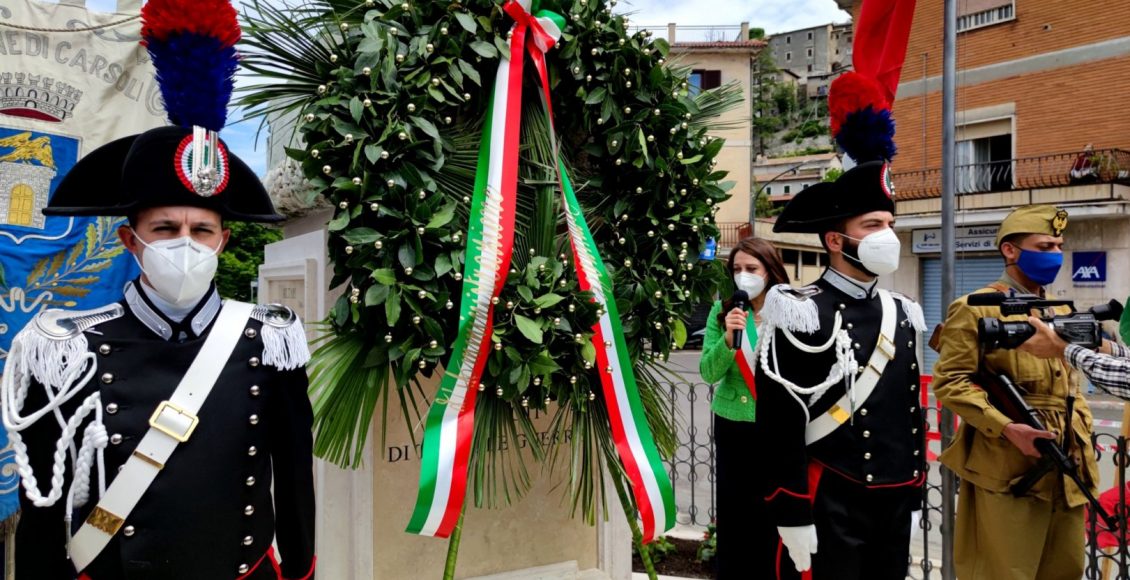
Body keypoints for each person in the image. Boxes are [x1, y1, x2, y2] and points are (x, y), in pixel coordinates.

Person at [1, 124, 316, 580]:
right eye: (165, 228)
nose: (185, 243)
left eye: (202, 230)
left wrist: (302, 568)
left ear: (222, 242)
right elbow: (45, 509)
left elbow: (293, 479)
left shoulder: (268, 339)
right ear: (131, 240)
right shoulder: (67, 347)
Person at [753, 161, 926, 579]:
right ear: (835, 239)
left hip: (895, 497)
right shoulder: (800, 311)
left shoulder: (901, 311)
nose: (887, 234)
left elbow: (909, 412)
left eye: (890, 223)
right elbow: (779, 425)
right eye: (872, 224)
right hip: (832, 498)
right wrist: (791, 512)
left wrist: (915, 495)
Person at [932, 204, 1097, 580]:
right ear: (1010, 249)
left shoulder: (1059, 311)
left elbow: (1071, 385)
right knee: (1005, 572)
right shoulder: (975, 309)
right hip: (1007, 467)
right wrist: (1006, 427)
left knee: (1064, 571)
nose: (1055, 254)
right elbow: (950, 381)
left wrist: (1082, 429)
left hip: (1066, 467)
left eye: (1058, 245)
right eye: (1044, 245)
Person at [699, 236, 790, 579]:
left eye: (751, 268)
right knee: (737, 514)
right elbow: (709, 372)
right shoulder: (723, 311)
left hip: (778, 426)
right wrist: (726, 339)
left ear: (770, 271)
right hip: (735, 426)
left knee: (775, 511)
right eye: (736, 269)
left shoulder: (791, 309)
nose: (743, 276)